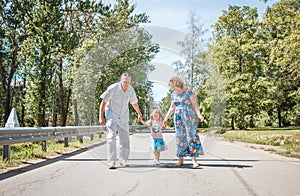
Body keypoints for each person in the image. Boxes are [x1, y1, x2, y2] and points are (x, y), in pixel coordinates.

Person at [99, 72, 143, 169]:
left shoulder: (131, 90)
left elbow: (134, 103)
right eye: (125, 81)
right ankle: (112, 162)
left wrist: (139, 113)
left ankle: (123, 160)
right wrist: (101, 116)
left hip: (123, 115)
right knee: (111, 137)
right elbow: (104, 102)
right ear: (121, 80)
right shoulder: (112, 88)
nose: (126, 84)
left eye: (128, 82)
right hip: (111, 113)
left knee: (125, 138)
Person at [162, 76, 205, 168]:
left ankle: (194, 160)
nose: (173, 88)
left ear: (177, 84)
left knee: (191, 137)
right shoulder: (174, 94)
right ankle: (180, 160)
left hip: (189, 117)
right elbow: (172, 108)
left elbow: (194, 104)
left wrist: (199, 114)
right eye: (172, 87)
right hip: (178, 118)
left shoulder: (188, 91)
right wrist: (165, 119)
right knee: (179, 138)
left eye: (173, 86)